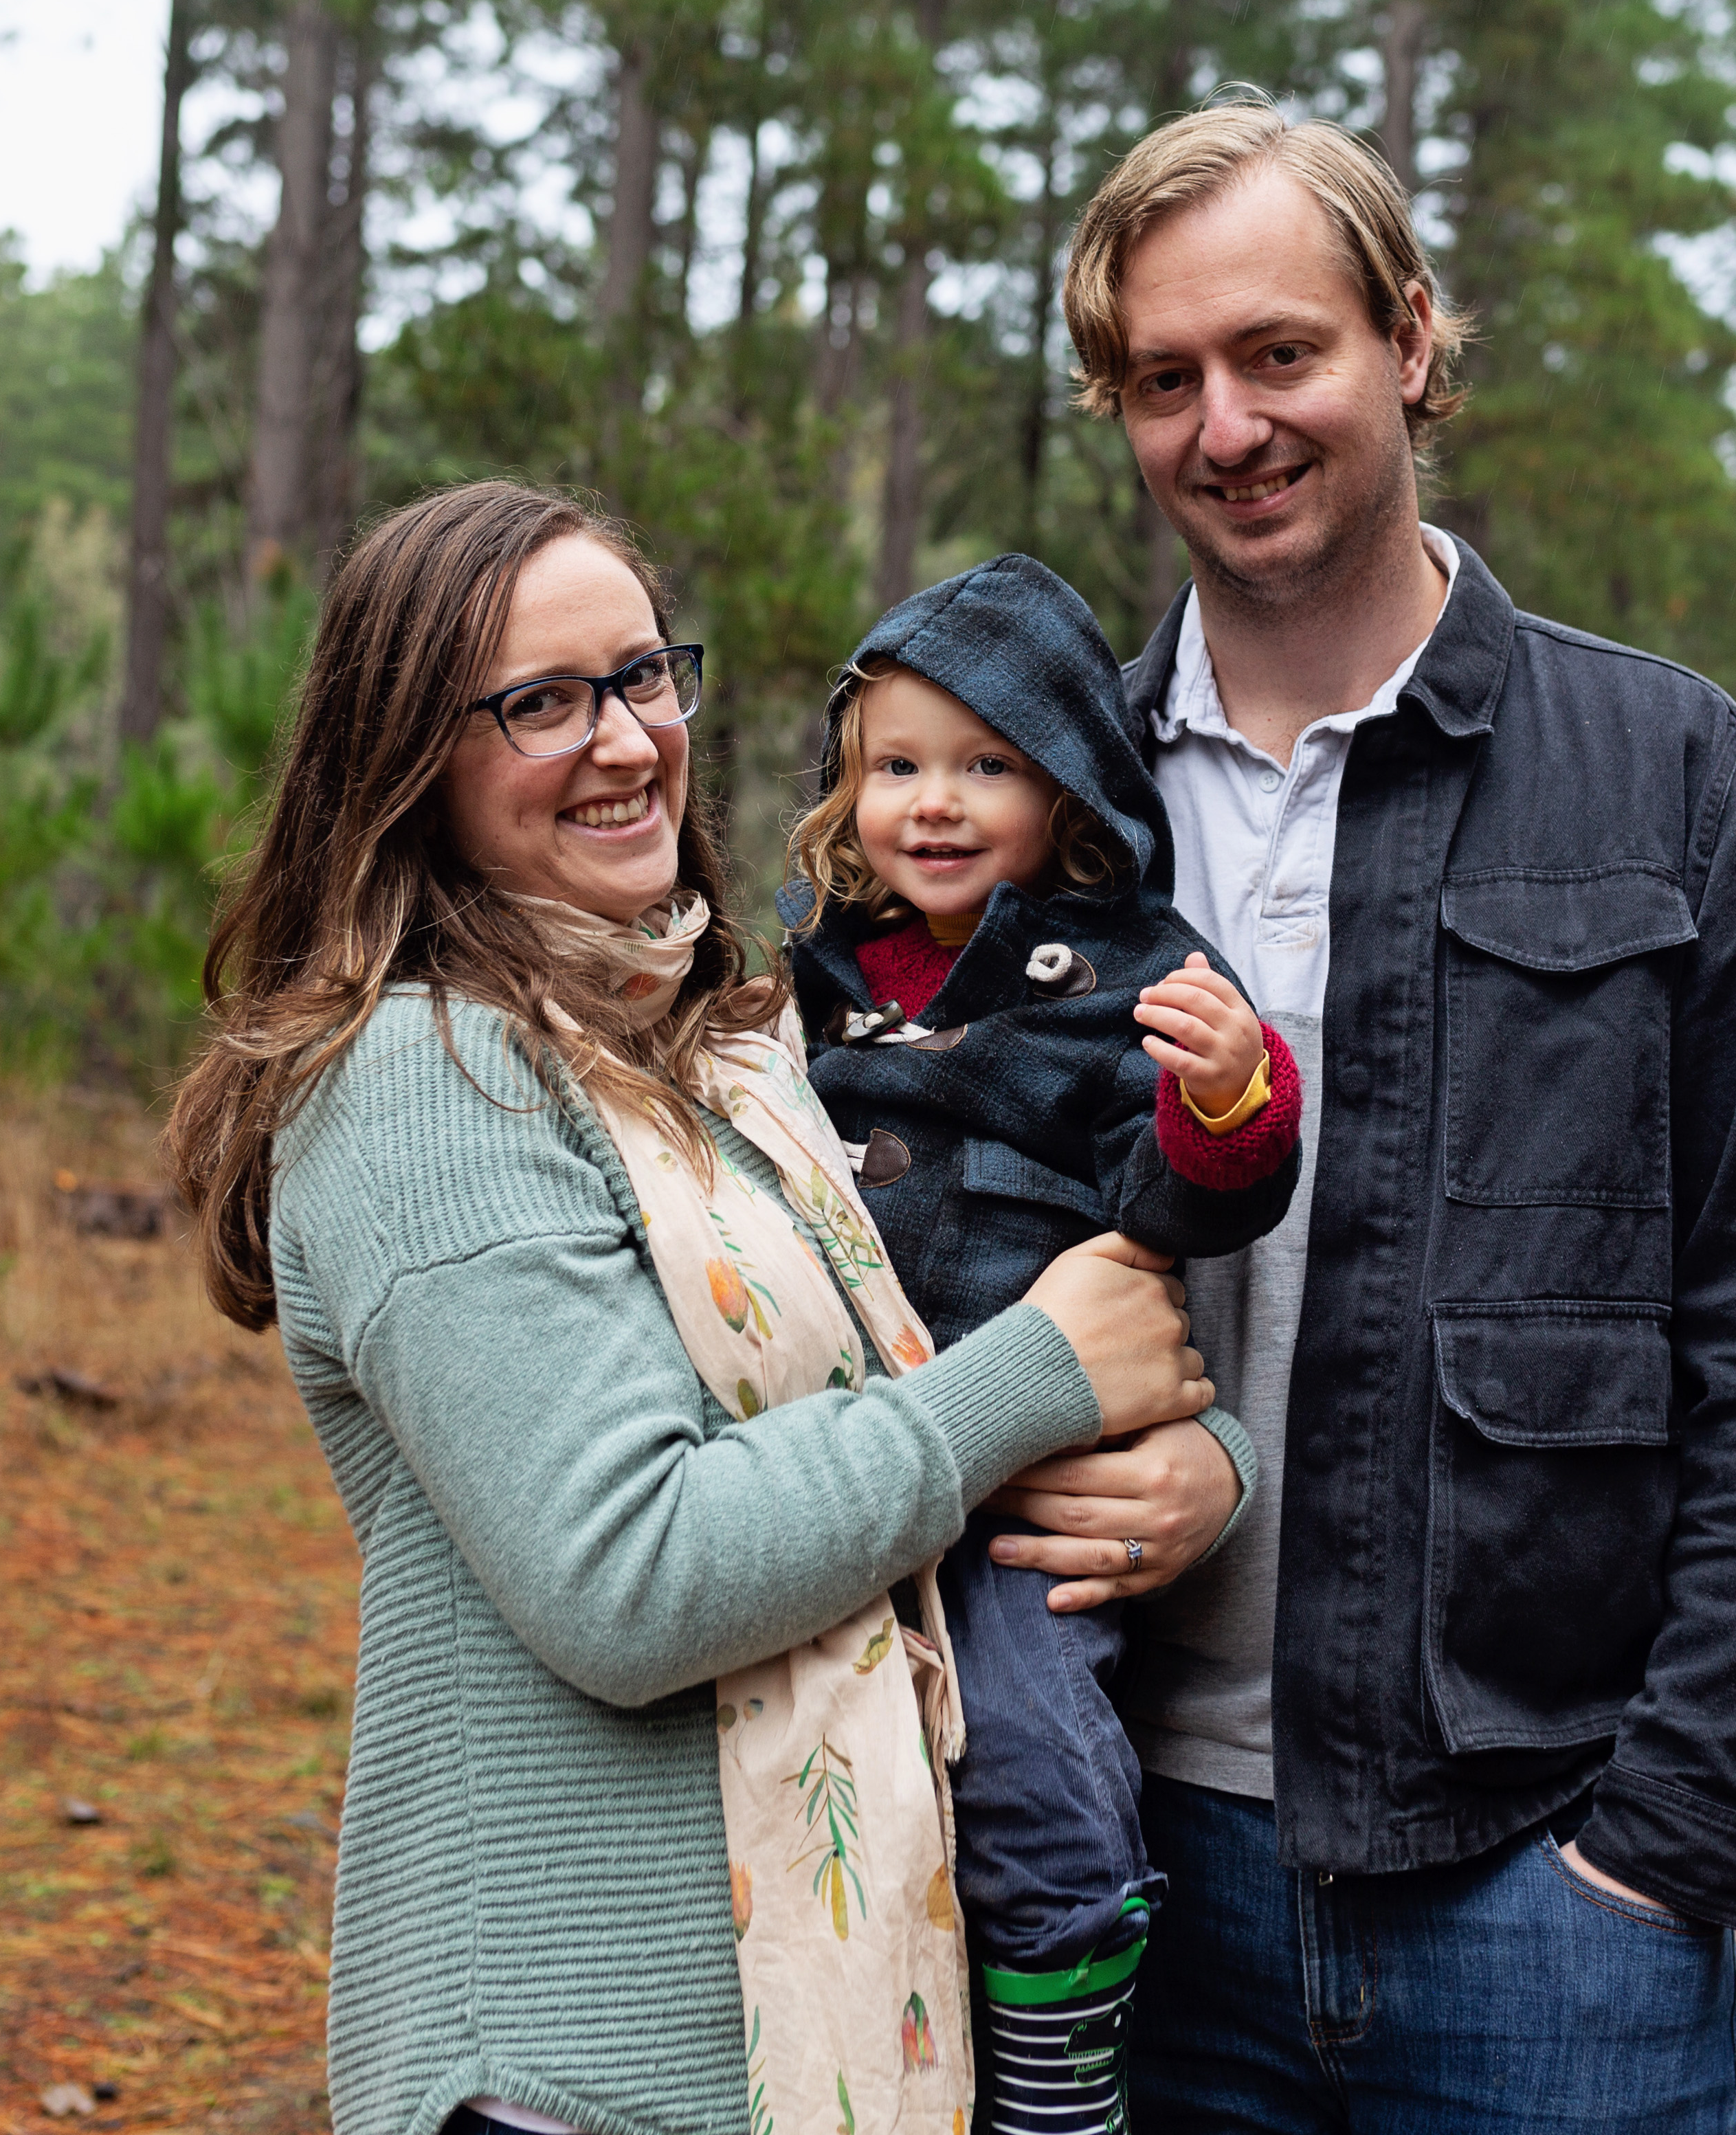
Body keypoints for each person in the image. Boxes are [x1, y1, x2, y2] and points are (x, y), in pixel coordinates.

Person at [166, 480, 1227, 2135]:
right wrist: (1041, 1381)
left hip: (827, 2030)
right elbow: (635, 1576)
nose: (624, 739)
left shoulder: (707, 1047)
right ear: (406, 763)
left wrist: (1184, 1459)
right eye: (539, 703)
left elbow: (931, 1331)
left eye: (645, 674)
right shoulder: (427, 1085)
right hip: (589, 2065)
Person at [1056, 98, 1736, 2132]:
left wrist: (1661, 1852)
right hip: (1111, 1865)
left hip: (1535, 1892)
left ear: (1411, 343)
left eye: (1281, 354)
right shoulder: (1042, 801)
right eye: (1165, 379)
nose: (1227, 427)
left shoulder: (1668, 772)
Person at [777, 554, 1307, 2132]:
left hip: (1026, 1475)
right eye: (897, 767)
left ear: (1070, 789)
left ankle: (1062, 2063)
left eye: (987, 767)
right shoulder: (808, 985)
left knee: (1028, 1754)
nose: (933, 804)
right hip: (825, 1462)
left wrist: (1227, 1101)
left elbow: (1178, 1207)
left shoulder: (1123, 977)